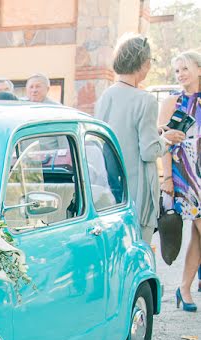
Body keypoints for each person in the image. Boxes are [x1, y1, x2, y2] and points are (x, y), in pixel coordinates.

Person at [96, 34, 184, 245]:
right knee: (139, 251)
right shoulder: (145, 100)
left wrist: (156, 131)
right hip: (137, 191)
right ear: (143, 64)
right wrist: (167, 139)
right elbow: (149, 151)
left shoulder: (106, 96)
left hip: (110, 189)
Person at [159, 50, 201, 311]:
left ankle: (184, 288)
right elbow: (161, 142)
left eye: (185, 68)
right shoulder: (172, 102)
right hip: (183, 176)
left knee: (197, 236)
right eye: (177, 70)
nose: (181, 74)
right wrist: (166, 178)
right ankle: (184, 287)